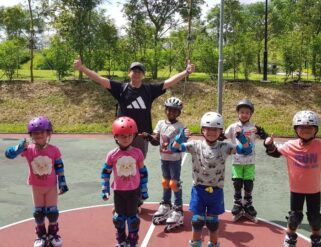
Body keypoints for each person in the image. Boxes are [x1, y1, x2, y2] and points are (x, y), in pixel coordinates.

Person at [263, 110, 321, 247]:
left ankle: (316, 240)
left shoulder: (319, 145)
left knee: (315, 219)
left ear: (316, 130)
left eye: (309, 127)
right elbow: (275, 153)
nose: (306, 130)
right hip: (296, 189)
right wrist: (269, 145)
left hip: (314, 190)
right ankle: (290, 238)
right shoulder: (290, 145)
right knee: (294, 217)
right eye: (302, 127)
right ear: (296, 129)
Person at [73, 59, 195, 158]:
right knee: (123, 161)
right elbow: (100, 79)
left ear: (143, 74)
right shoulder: (121, 88)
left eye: (139, 71)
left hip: (142, 135)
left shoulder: (149, 90)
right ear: (129, 73)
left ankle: (139, 188)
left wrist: (186, 72)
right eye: (134, 70)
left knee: (139, 162)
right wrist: (82, 68)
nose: (136, 73)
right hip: (124, 133)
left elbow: (169, 82)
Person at [171, 112, 254, 247]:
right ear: (202, 130)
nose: (211, 132)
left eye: (215, 129)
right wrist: (179, 138)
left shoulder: (224, 147)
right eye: (208, 129)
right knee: (197, 221)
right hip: (199, 190)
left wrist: (242, 137)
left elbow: (246, 150)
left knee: (213, 222)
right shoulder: (195, 145)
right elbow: (174, 149)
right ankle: (196, 244)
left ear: (221, 131)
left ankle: (213, 244)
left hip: (216, 191)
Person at [4, 116, 69, 247]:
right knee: (38, 212)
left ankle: (53, 234)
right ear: (31, 135)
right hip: (36, 186)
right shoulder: (28, 149)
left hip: (51, 186)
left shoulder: (54, 150)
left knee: (52, 212)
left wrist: (62, 182)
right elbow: (8, 154)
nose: (38, 135)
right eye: (35, 133)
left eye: (42, 132)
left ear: (48, 133)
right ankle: (41, 236)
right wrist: (19, 148)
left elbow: (59, 167)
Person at [100, 116, 149, 247]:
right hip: (119, 191)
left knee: (133, 219)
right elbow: (106, 172)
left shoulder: (138, 153)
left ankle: (132, 242)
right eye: (122, 136)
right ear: (116, 136)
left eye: (129, 135)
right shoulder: (112, 154)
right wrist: (105, 189)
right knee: (119, 219)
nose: (126, 139)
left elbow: (143, 172)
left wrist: (144, 190)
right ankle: (121, 241)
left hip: (134, 191)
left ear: (134, 136)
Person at [141, 97, 185, 232]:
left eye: (175, 110)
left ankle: (178, 207)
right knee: (165, 181)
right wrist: (149, 137)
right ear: (165, 110)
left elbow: (183, 142)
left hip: (175, 160)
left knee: (174, 183)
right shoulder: (160, 123)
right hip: (163, 158)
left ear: (179, 113)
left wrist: (183, 137)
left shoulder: (180, 126)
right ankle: (166, 203)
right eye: (169, 109)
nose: (172, 112)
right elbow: (155, 141)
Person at [224, 99, 268, 222]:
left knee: (248, 184)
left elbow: (265, 138)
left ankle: (248, 203)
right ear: (238, 113)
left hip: (250, 161)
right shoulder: (233, 127)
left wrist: (263, 133)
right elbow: (223, 136)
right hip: (237, 161)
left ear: (251, 114)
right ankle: (237, 202)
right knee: (237, 183)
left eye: (247, 112)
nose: (244, 114)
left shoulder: (254, 128)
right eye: (242, 112)